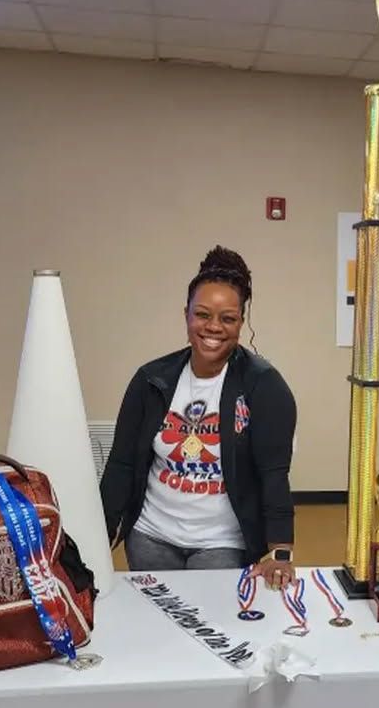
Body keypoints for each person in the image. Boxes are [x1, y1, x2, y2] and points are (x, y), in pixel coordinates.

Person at [100, 246, 297, 590]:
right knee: (155, 619)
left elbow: (274, 475)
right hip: (150, 536)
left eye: (227, 318)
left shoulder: (264, 386)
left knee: (212, 619)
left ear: (241, 322)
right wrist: (97, 537)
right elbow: (121, 465)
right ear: (186, 315)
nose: (213, 327)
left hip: (221, 544)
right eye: (202, 315)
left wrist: (280, 552)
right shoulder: (151, 380)